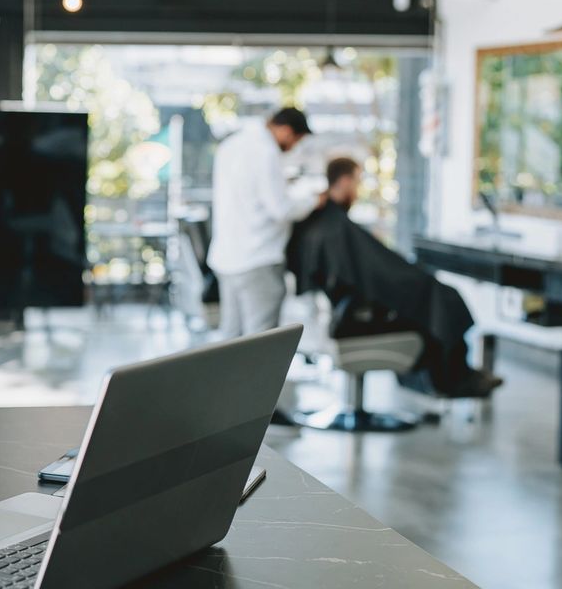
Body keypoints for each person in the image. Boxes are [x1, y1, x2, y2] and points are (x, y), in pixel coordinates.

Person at [288, 157, 501, 398]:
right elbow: (376, 270)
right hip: (356, 313)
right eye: (357, 182)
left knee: (434, 298)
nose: (358, 191)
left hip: (346, 307)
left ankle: (452, 376)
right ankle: (452, 379)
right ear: (346, 181)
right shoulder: (335, 226)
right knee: (441, 298)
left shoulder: (324, 220)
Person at [208, 105, 321, 337]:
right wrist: (313, 201)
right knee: (260, 344)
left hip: (227, 258)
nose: (292, 147)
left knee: (231, 340)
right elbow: (280, 210)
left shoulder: (231, 144)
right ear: (287, 131)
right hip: (258, 259)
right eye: (295, 140)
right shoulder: (265, 152)